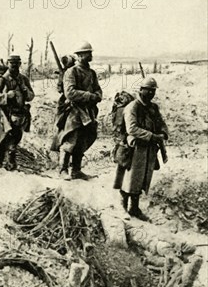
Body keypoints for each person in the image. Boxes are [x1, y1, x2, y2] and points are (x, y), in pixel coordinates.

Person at [113, 77, 168, 221]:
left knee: (142, 179)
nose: (150, 93)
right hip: (134, 148)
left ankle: (135, 208)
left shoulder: (153, 107)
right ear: (141, 90)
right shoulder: (132, 107)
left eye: (153, 91)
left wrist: (163, 133)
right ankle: (122, 208)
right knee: (129, 179)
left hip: (149, 149)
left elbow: (161, 122)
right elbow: (132, 128)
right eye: (147, 90)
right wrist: (151, 136)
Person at [56, 42, 102, 180]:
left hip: (88, 111)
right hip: (74, 111)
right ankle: (62, 170)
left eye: (90, 53)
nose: (90, 55)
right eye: (88, 53)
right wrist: (89, 96)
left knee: (83, 139)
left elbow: (97, 89)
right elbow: (69, 92)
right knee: (71, 138)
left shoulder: (92, 73)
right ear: (80, 55)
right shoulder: (72, 72)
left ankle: (76, 171)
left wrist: (98, 95)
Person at [0, 54, 34, 170]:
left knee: (16, 138)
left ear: (19, 64)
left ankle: (8, 163)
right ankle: (2, 162)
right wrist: (6, 96)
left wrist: (24, 90)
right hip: (5, 114)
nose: (14, 67)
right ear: (8, 64)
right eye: (11, 64)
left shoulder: (23, 79)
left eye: (16, 64)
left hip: (19, 114)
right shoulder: (2, 79)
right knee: (4, 139)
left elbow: (31, 96)